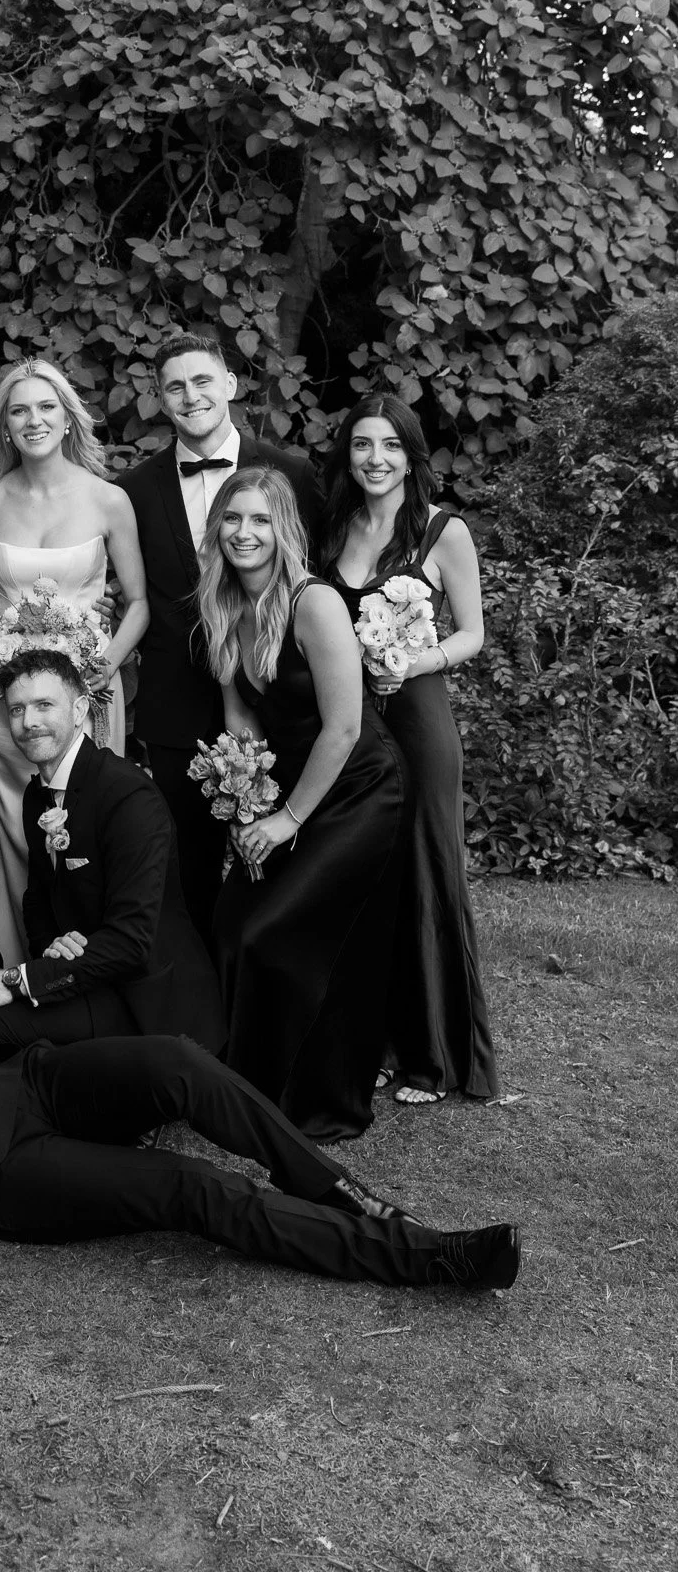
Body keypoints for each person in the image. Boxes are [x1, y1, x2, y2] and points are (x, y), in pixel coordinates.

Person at [0, 889, 521, 1294]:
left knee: (176, 1060)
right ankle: (427, 1259)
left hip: (24, 1083)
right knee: (191, 1190)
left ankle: (355, 1201)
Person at [199, 469, 408, 1141]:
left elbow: (344, 728)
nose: (243, 533)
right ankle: (240, 1091)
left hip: (356, 790)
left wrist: (286, 821)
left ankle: (317, 1099)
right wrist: (244, 803)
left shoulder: (311, 602)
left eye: (258, 520)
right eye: (231, 519)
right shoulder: (223, 605)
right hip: (285, 791)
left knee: (277, 931)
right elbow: (241, 721)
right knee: (232, 922)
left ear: (282, 529)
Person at [320, 396, 500, 1107]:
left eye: (389, 446)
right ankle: (372, 1045)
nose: (374, 459)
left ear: (411, 456)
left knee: (425, 873)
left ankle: (431, 1057)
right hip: (351, 724)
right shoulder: (332, 528)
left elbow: (471, 633)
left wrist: (415, 661)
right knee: (364, 877)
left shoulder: (441, 530)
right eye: (361, 445)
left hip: (418, 722)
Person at [122, 333, 321, 941]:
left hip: (273, 697)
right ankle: (198, 1012)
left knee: (285, 873)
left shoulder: (292, 473)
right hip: (176, 706)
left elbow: (317, 578)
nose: (191, 395)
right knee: (188, 878)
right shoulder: (132, 490)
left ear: (231, 386)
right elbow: (129, 592)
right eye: (175, 386)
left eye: (203, 380)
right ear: (159, 399)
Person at [0, 651, 223, 1053]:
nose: (29, 722)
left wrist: (18, 980)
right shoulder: (35, 796)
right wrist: (52, 951)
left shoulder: (128, 795)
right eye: (17, 709)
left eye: (45, 705)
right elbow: (39, 899)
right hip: (83, 977)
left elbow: (131, 942)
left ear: (79, 710)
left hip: (145, 1002)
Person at [0, 358, 148, 963]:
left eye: (46, 406)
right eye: (19, 409)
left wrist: (108, 664)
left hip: (88, 691)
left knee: (88, 825)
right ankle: (19, 966)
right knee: (20, 833)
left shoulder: (109, 500)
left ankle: (92, 964)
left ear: (68, 417)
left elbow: (141, 603)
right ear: (5, 424)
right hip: (8, 700)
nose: (33, 419)